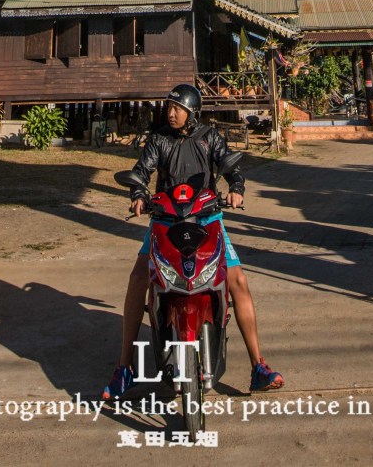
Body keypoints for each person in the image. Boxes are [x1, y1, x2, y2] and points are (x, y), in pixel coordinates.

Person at [102, 83, 284, 400]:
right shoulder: (158, 139)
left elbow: (231, 166)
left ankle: (259, 366)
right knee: (137, 277)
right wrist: (138, 195)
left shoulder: (209, 137)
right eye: (169, 107)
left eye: (177, 108)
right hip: (165, 221)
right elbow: (141, 172)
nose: (170, 113)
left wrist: (236, 188)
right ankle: (124, 368)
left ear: (192, 112)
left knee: (238, 280)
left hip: (207, 219)